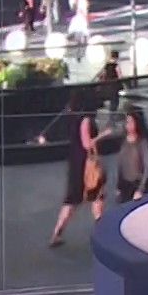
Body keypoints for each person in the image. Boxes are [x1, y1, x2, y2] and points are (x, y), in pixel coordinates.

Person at [49, 87, 107, 246]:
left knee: (72, 200)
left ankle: (57, 233)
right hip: (87, 163)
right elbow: (87, 144)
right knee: (98, 196)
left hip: (75, 163)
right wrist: (104, 135)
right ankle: (102, 231)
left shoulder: (72, 117)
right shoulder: (86, 120)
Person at [115, 106, 148, 202]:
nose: (128, 125)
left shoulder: (142, 142)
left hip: (139, 183)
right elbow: (120, 164)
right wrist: (118, 186)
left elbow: (147, 168)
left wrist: (141, 189)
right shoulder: (123, 141)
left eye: (131, 122)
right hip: (126, 183)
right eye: (127, 122)